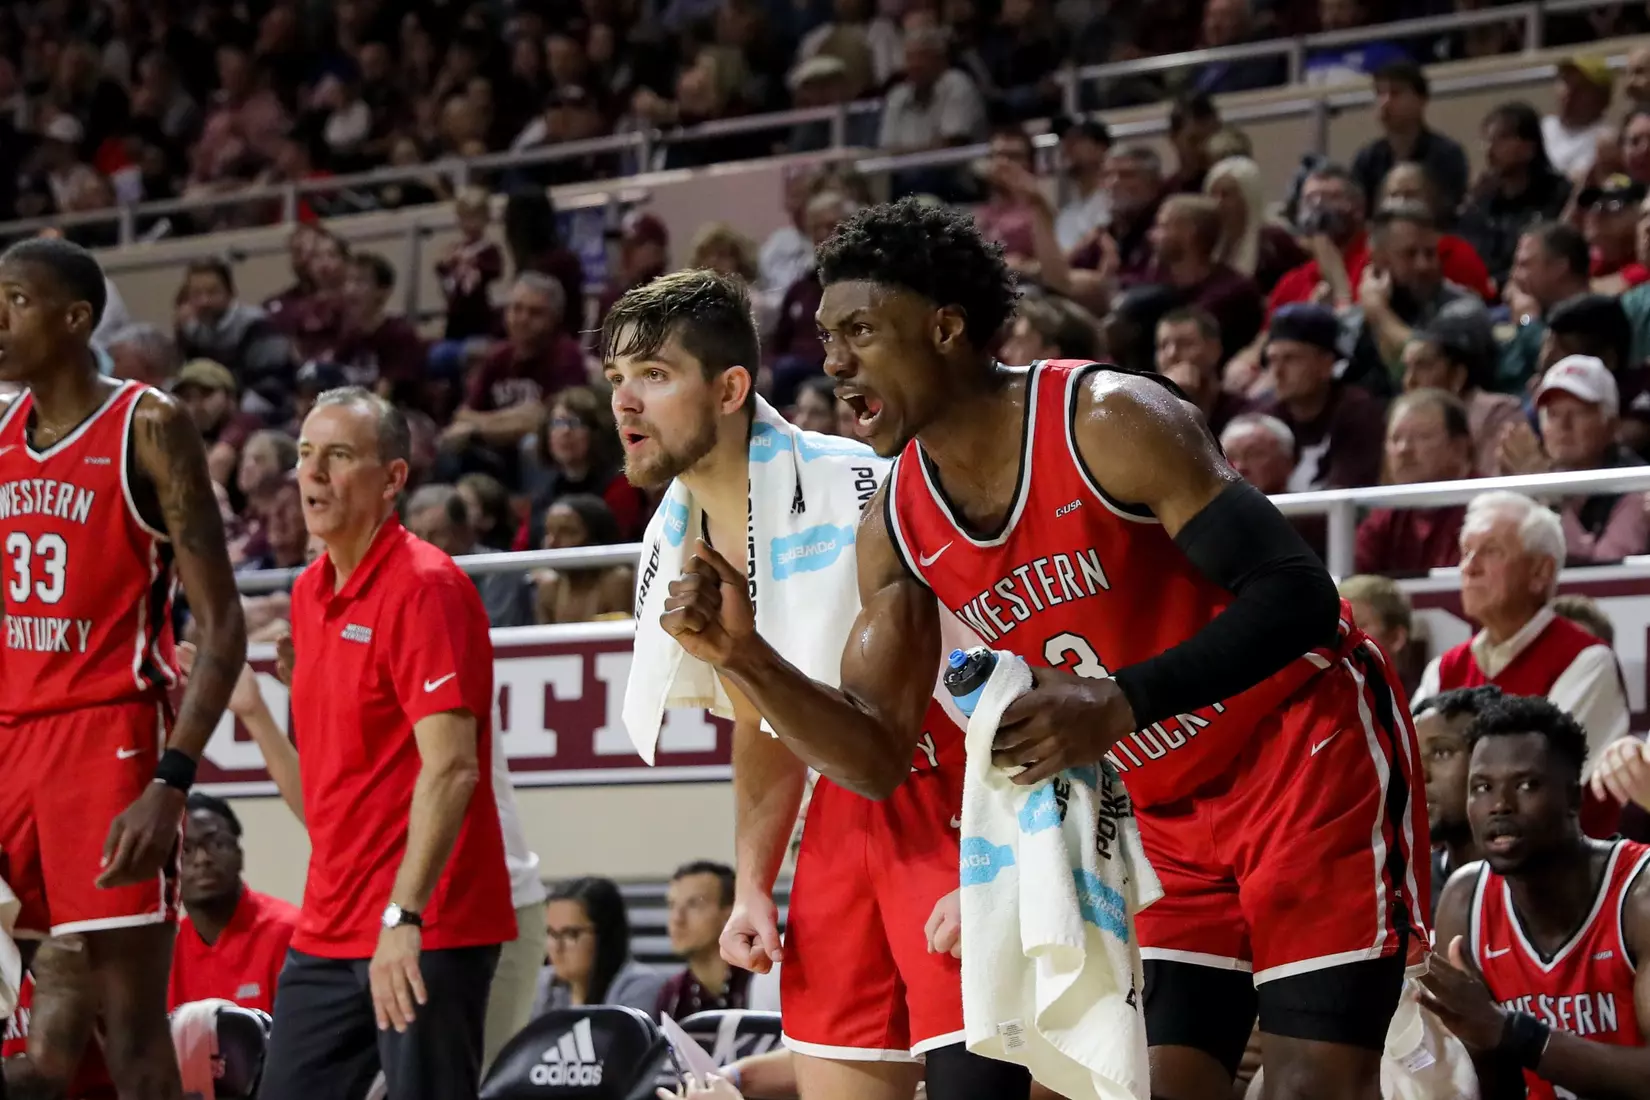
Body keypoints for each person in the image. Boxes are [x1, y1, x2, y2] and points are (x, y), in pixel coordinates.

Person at [660, 200, 1430, 1099]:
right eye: (827, 336)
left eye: (861, 330)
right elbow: (874, 755)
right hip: (1163, 818)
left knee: (1309, 1085)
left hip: (1302, 757)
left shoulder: (1108, 419)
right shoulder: (898, 523)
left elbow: (1301, 596)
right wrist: (743, 656)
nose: (833, 361)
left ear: (945, 328)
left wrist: (1119, 703)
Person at [606, 269, 1030, 1100]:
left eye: (653, 376)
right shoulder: (674, 538)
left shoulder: (865, 484)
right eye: (617, 379)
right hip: (838, 815)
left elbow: (1008, 667)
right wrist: (753, 884)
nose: (625, 403)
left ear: (731, 388)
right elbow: (764, 721)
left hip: (958, 790)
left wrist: (1003, 858)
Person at [0, 237, 247, 1099]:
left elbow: (221, 626)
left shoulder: (148, 424)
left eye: (17, 300)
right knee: (31, 1032)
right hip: (10, 741)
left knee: (132, 1027)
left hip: (108, 738)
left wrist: (171, 781)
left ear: (74, 320)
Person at [258, 386, 516, 1100]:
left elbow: (454, 770)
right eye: (306, 455)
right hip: (328, 925)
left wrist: (404, 916)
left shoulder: (427, 587)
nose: (311, 474)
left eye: (338, 456)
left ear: (393, 478)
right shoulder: (309, 595)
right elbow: (331, 786)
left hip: (425, 924)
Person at [1421, 695, 1649, 1099]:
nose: (1499, 806)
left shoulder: (1640, 895)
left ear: (1573, 800)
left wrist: (1509, 1031)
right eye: (1482, 788)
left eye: (1526, 785)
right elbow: (1487, 1082)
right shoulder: (1465, 901)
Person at [167, 792, 299, 1013]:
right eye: (186, 850)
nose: (202, 859)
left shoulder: (288, 932)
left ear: (240, 855)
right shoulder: (166, 950)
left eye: (217, 844)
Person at [1410, 686, 1502, 918]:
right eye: (1409, 755)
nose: (1418, 774)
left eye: (1441, 753)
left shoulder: (1534, 883)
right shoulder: (1404, 884)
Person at [533, 877, 666, 1018]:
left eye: (571, 934)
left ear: (605, 935)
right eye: (551, 933)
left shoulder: (640, 987)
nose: (557, 947)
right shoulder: (543, 984)